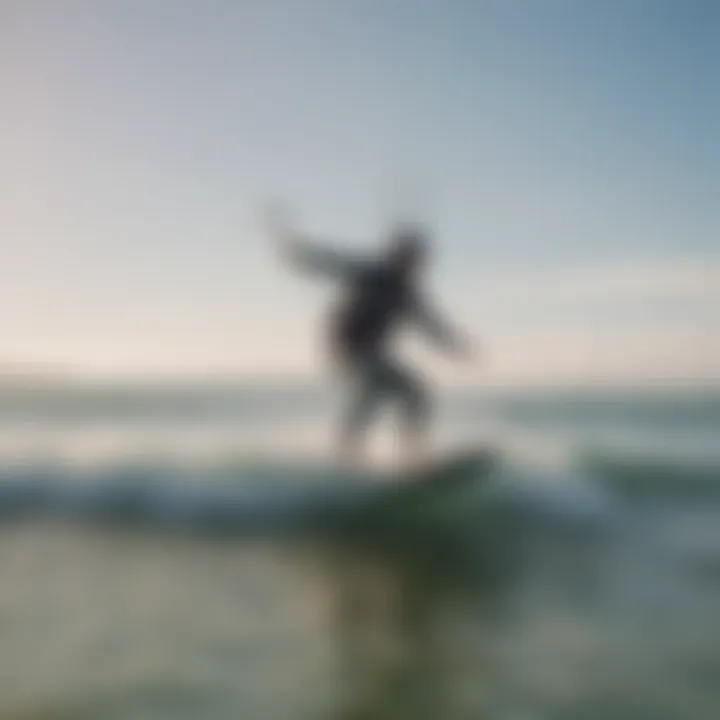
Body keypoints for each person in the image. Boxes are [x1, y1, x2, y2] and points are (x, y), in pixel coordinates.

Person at [266, 207, 474, 467]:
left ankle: (394, 456)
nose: (415, 265)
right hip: (349, 348)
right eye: (410, 257)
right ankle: (359, 455)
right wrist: (299, 253)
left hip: (371, 353)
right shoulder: (372, 273)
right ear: (398, 255)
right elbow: (331, 263)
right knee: (388, 390)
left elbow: (430, 323)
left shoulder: (406, 292)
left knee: (408, 394)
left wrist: (455, 345)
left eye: (417, 260)